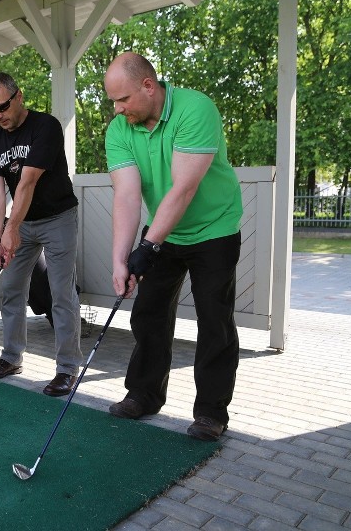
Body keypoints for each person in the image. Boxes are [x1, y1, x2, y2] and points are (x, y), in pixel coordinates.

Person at [103, 52, 243, 441]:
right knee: (148, 314)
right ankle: (144, 395)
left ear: (149, 86)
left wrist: (147, 246)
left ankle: (211, 413)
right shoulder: (120, 130)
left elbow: (184, 188)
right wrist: (120, 259)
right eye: (113, 101)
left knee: (214, 320)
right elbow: (127, 197)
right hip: (166, 231)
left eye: (124, 100)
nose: (118, 109)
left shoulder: (195, 109)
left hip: (214, 228)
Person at [0, 71, 83, 397]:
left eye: (3, 107)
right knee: (11, 288)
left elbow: (27, 182)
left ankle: (67, 369)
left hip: (58, 218)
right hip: (22, 223)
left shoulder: (46, 126)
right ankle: (11, 358)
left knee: (61, 293)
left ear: (18, 96)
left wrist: (11, 229)